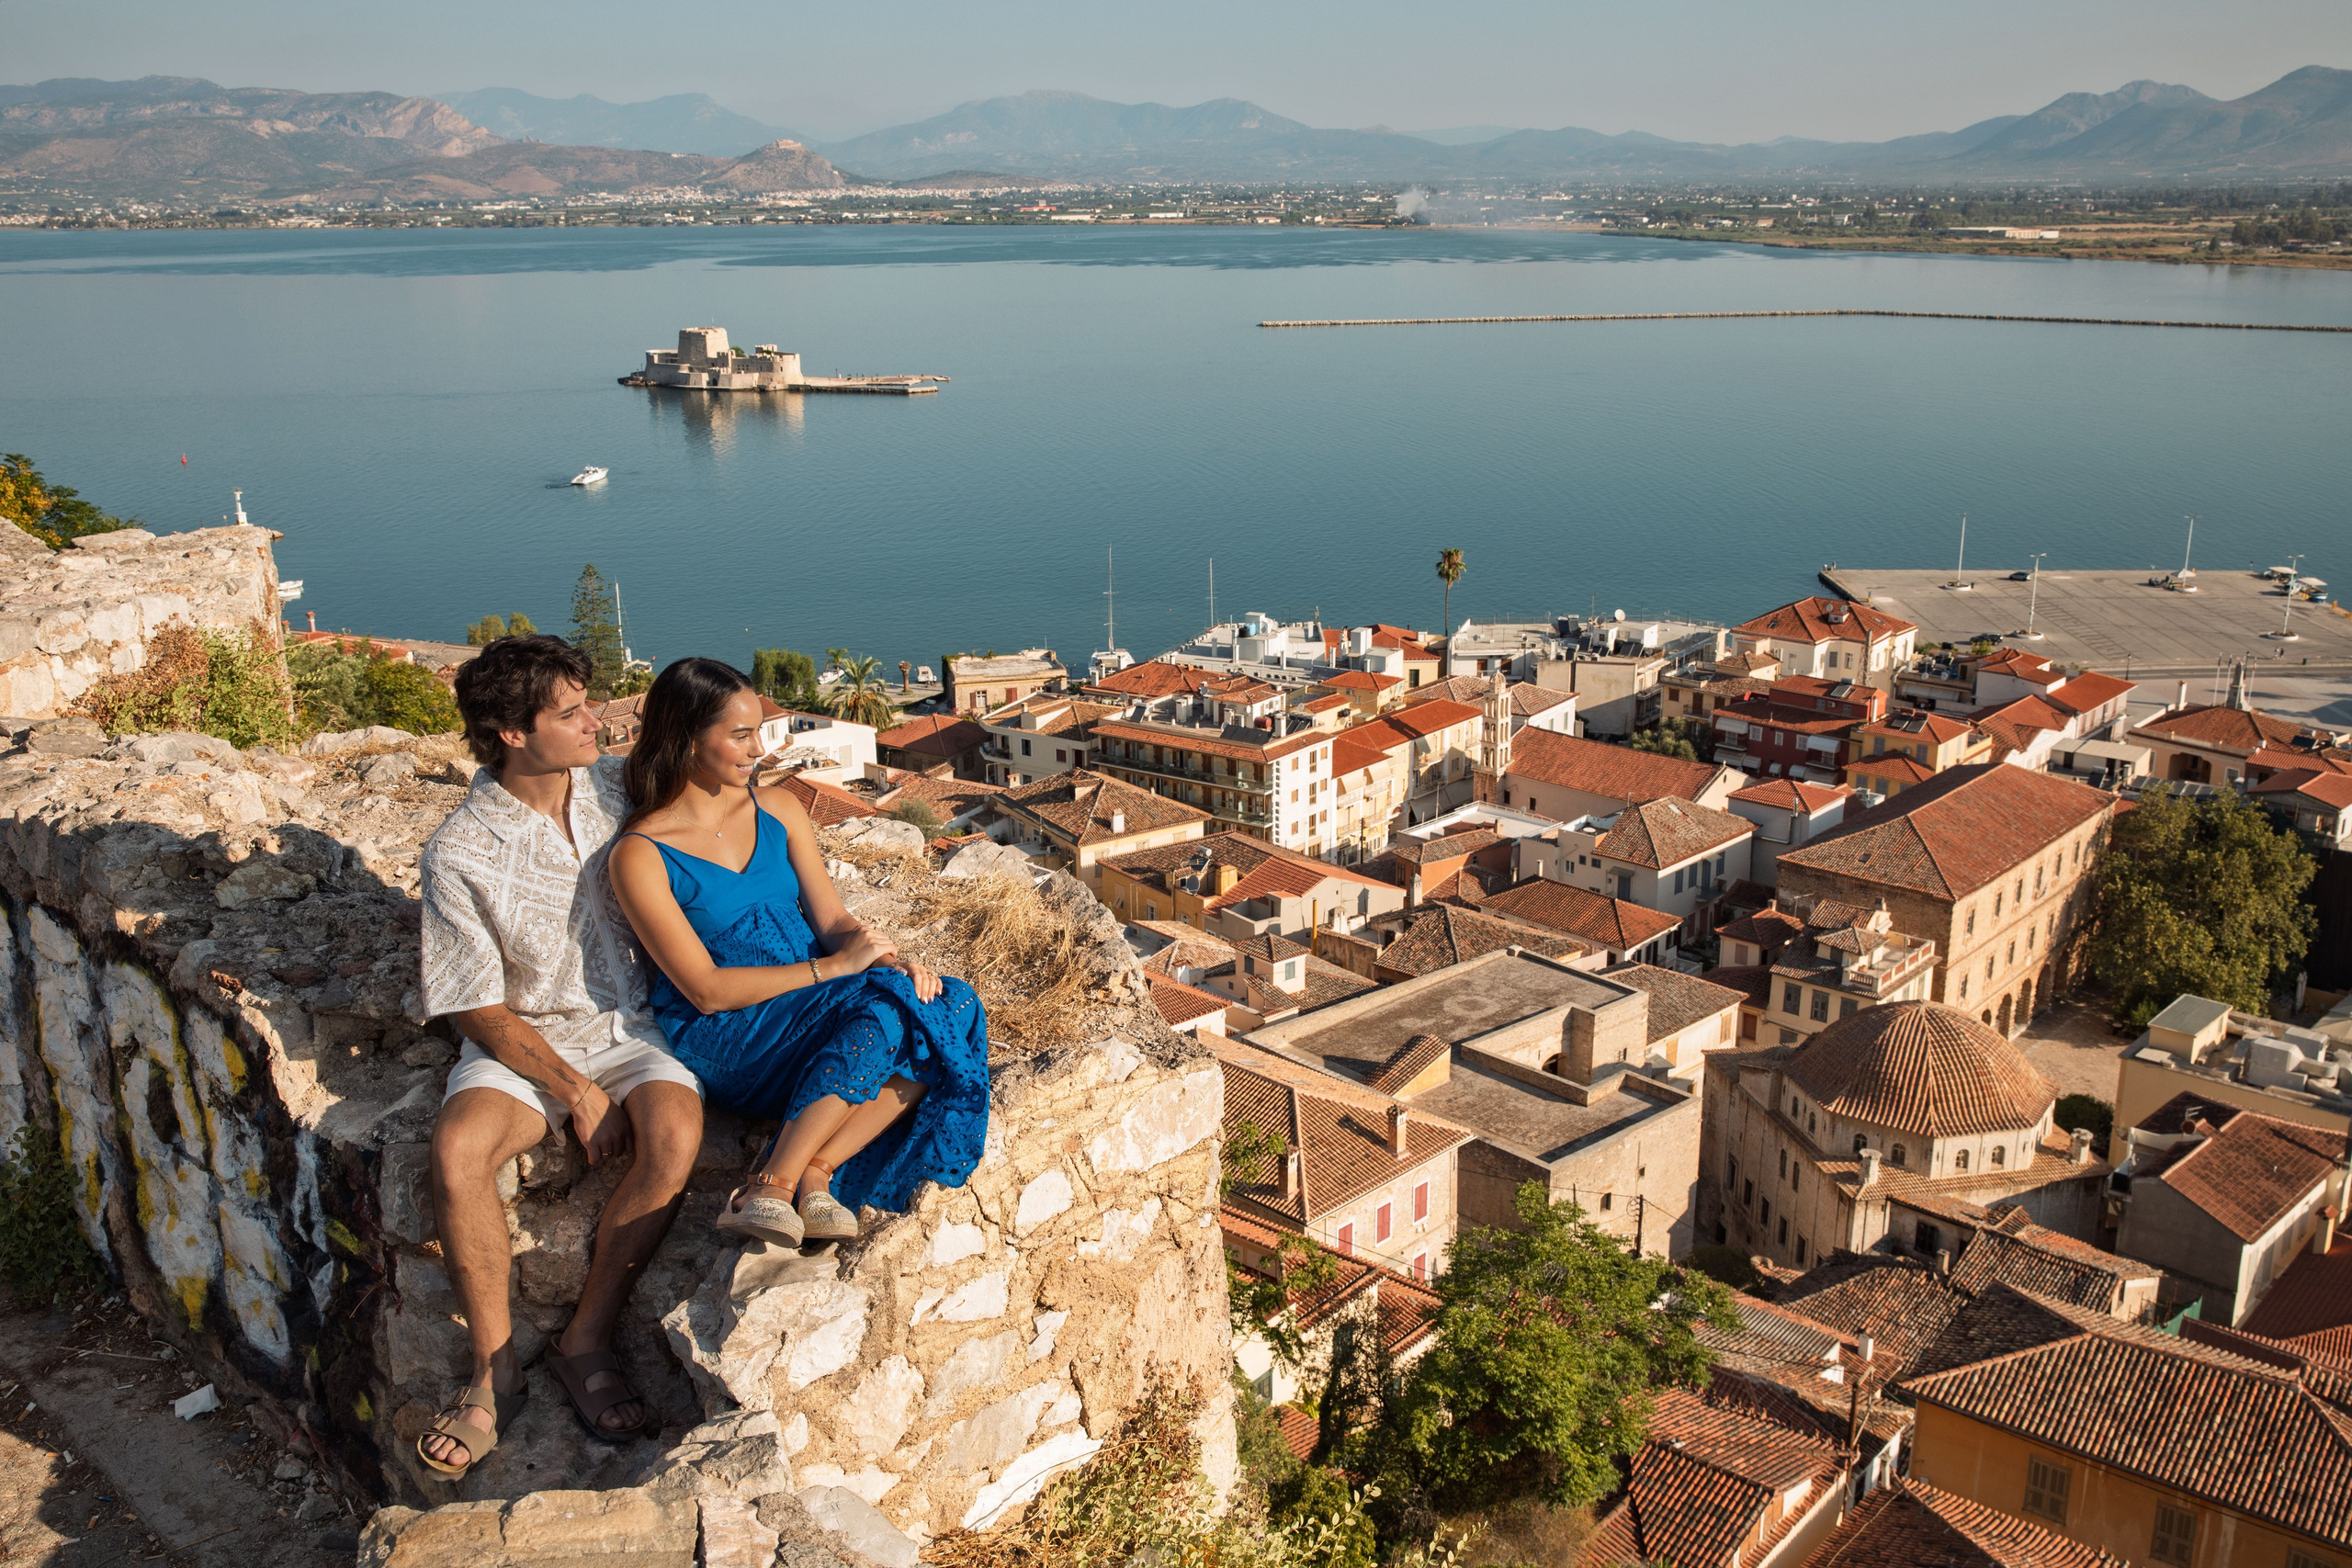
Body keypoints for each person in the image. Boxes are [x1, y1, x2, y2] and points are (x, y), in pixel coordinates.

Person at [413, 636, 706, 1481]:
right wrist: (573, 1088)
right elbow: (473, 1001)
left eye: (590, 703)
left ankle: (585, 1338)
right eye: (571, 712)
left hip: (634, 1025)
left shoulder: (618, 788)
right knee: (458, 1149)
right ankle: (493, 1370)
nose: (595, 721)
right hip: (524, 1038)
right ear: (510, 731)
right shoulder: (460, 851)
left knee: (677, 1136)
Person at [608, 658, 989, 1249]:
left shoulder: (780, 809)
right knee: (886, 1014)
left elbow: (834, 920)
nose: (758, 749)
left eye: (758, 731)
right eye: (740, 735)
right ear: (684, 738)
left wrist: (890, 963)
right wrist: (833, 969)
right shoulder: (641, 854)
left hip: (819, 1000)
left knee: (949, 1001)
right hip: (732, 1029)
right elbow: (704, 989)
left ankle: (816, 1169)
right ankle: (770, 1184)